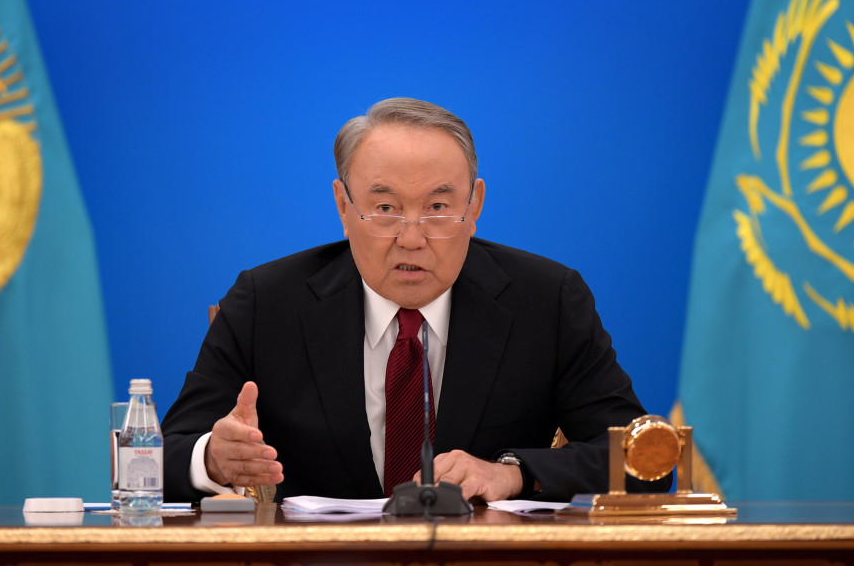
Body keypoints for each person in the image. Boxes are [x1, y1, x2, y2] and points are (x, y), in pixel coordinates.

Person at [161, 97, 670, 503]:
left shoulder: (546, 300)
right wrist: (212, 460)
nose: (411, 238)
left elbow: (644, 460)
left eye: (438, 207)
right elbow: (157, 460)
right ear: (343, 206)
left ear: (474, 206)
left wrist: (511, 473)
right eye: (385, 208)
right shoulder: (267, 302)